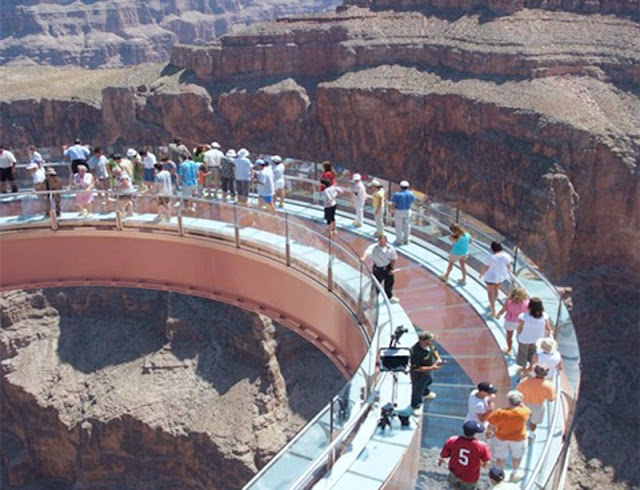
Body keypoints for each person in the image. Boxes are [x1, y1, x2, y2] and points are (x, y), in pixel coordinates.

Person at [486, 390, 530, 482]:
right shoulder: (524, 412)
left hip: (501, 438)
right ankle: (514, 474)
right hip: (518, 439)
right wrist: (520, 403)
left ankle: (500, 475)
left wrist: (489, 432)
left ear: (509, 401)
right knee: (517, 457)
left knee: (500, 458)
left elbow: (491, 424)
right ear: (519, 402)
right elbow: (527, 410)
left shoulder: (500, 412)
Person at [438, 420, 491, 490]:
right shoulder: (481, 446)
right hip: (470, 477)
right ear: (474, 433)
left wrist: (440, 460)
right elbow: (486, 460)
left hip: (454, 473)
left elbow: (443, 455)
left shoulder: (452, 440)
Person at [516, 365, 556, 439]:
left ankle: (520, 432)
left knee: (521, 418)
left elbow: (518, 390)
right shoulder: (549, 385)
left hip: (524, 403)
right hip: (537, 406)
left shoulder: (526, 380)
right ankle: (531, 435)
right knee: (533, 422)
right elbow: (551, 399)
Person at [360, 234, 399, 303]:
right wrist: (363, 257)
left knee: (389, 283)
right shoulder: (374, 247)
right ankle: (372, 299)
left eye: (383, 240)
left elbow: (394, 258)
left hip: (387, 267)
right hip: (378, 269)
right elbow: (367, 252)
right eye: (380, 240)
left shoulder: (390, 248)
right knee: (376, 285)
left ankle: (389, 297)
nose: (382, 241)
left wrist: (392, 269)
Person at [409, 331, 442, 414]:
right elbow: (415, 368)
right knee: (417, 389)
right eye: (431, 340)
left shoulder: (429, 345)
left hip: (428, 370)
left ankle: (425, 393)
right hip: (419, 374)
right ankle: (416, 406)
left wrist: (438, 358)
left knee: (429, 381)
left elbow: (434, 349)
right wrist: (431, 367)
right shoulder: (415, 352)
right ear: (423, 341)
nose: (432, 342)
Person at [516, 297, 552, 370]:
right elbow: (548, 328)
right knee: (533, 354)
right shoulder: (544, 316)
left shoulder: (524, 316)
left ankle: (523, 368)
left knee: (523, 353)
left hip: (525, 338)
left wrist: (518, 334)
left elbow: (520, 328)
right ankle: (530, 367)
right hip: (537, 339)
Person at [480, 241, 511, 317]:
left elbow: (485, 267)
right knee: (496, 289)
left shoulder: (490, 257)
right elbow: (508, 266)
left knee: (490, 292)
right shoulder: (506, 256)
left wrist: (481, 274)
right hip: (501, 277)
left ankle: (493, 310)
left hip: (491, 277)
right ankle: (492, 305)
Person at [495, 286, 529, 356]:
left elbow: (503, 309)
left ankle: (509, 349)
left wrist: (498, 314)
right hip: (521, 322)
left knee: (509, 337)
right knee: (520, 337)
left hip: (510, 321)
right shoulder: (527, 303)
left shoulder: (509, 301)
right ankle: (521, 352)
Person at [391, 180, 415, 245]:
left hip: (399, 211)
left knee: (399, 226)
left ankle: (399, 240)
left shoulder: (397, 194)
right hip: (407, 211)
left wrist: (392, 211)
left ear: (400, 187)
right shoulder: (411, 194)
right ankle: (406, 240)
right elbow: (412, 201)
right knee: (407, 226)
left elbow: (393, 204)